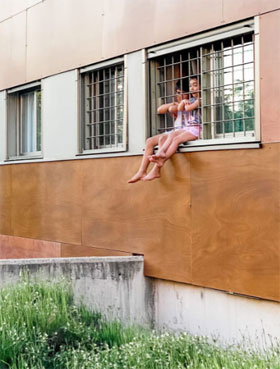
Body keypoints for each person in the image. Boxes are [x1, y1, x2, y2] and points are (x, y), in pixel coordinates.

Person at [128, 77, 201, 183]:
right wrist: (174, 104)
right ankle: (142, 171)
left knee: (163, 139)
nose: (179, 96)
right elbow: (160, 109)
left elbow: (177, 109)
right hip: (177, 130)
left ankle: (156, 169)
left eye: (183, 93)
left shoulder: (191, 102)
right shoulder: (181, 102)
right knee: (149, 141)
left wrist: (176, 107)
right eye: (177, 93)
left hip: (185, 130)